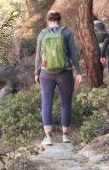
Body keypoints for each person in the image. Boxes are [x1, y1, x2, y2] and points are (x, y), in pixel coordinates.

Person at [34, 11, 83, 146]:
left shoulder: (42, 34)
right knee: (66, 103)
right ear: (59, 20)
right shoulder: (67, 33)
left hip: (46, 73)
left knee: (46, 103)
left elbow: (38, 56)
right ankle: (65, 136)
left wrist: (36, 73)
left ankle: (48, 137)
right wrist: (78, 72)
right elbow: (73, 54)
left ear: (48, 20)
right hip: (65, 72)